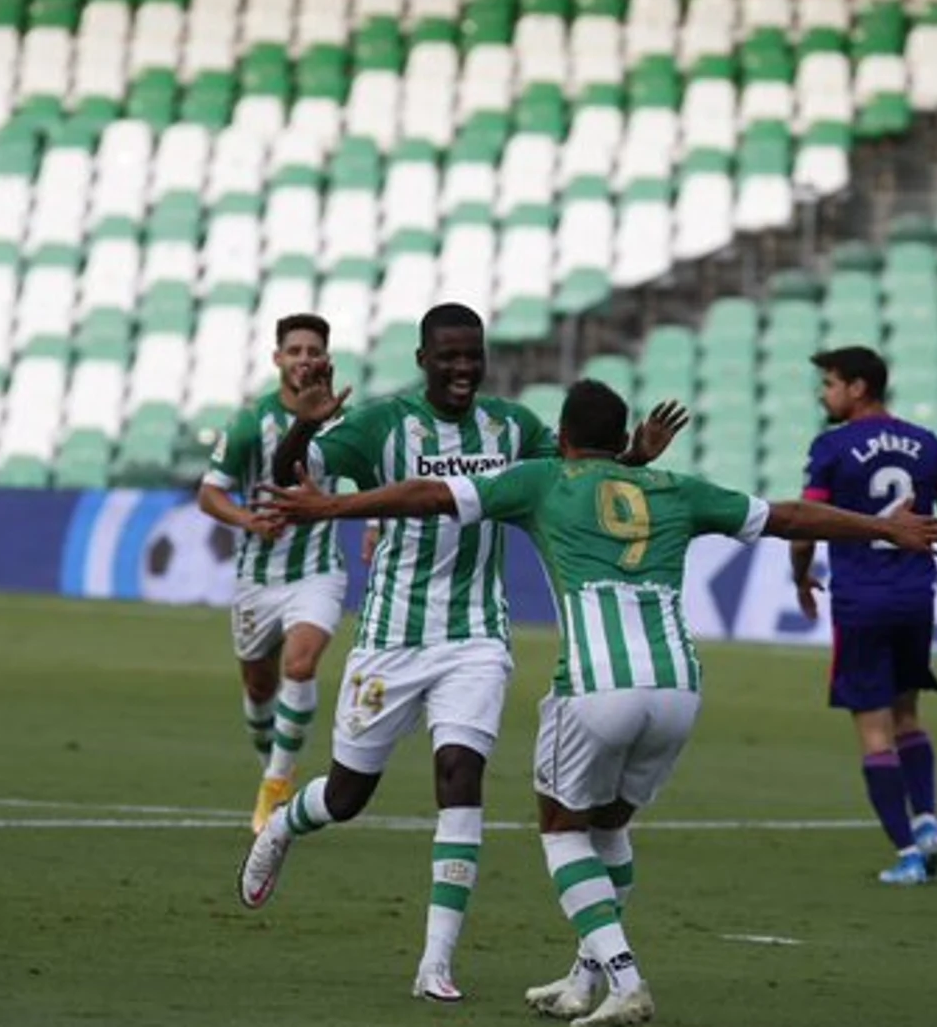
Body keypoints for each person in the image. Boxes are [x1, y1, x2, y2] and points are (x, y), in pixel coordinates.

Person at [257, 379, 937, 1027]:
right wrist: (887, 527)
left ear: (560, 438)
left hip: (597, 686)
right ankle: (583, 978)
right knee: (610, 828)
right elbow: (788, 516)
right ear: (622, 435)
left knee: (563, 830)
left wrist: (335, 506)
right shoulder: (674, 487)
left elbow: (430, 496)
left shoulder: (544, 480)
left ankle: (623, 979)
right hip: (679, 689)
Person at [237, 303, 684, 1002]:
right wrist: (309, 418)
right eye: (448, 355)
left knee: (460, 777)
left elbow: (573, 476)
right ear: (423, 360)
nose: (463, 367)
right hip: (390, 637)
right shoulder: (383, 423)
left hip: (476, 635)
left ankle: (435, 963)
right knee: (349, 794)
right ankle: (287, 824)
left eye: (472, 354)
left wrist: (629, 460)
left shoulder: (511, 426)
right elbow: (295, 469)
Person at [791, 347, 937, 886]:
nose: (823, 394)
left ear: (858, 388)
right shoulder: (929, 445)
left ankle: (909, 855)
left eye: (829, 383)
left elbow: (805, 523)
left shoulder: (831, 447)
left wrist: (799, 575)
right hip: (914, 600)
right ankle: (925, 821)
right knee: (908, 717)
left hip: (860, 602)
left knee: (874, 732)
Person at [197, 313, 349, 832]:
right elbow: (208, 493)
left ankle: (276, 785)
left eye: (313, 351)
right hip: (256, 579)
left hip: (319, 570)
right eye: (296, 350)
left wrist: (374, 523)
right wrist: (246, 519)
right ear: (278, 359)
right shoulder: (249, 423)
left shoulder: (341, 420)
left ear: (326, 359)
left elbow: (374, 474)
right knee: (259, 689)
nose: (305, 358)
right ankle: (273, 765)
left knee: (301, 665)